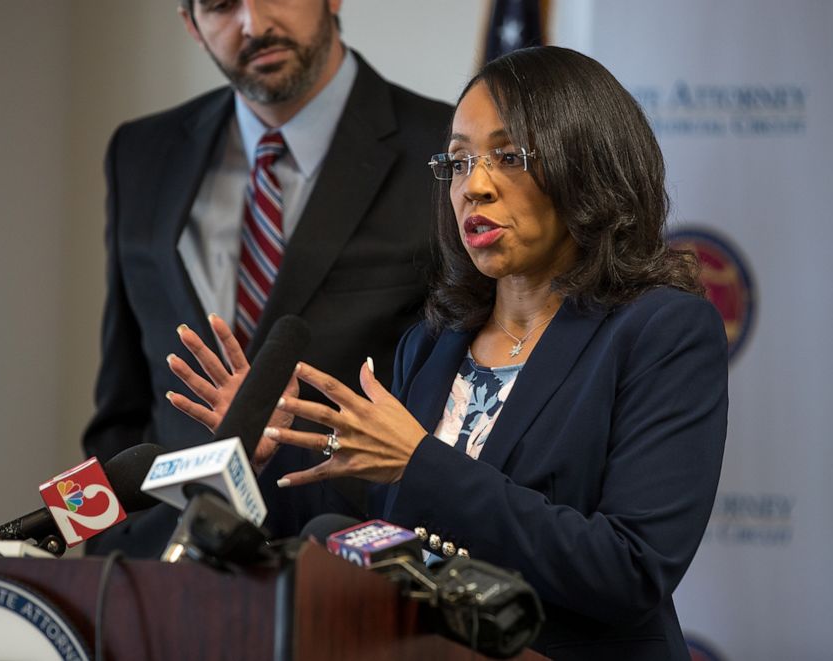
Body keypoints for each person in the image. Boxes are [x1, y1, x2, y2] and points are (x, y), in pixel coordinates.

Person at [171, 46, 727, 660]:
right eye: (458, 162)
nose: (474, 187)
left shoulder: (661, 331)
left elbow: (630, 568)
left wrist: (419, 463)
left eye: (509, 157)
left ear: (589, 165)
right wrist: (271, 454)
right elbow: (373, 537)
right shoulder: (434, 342)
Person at [83, 0, 451, 557]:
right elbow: (123, 399)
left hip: (347, 567)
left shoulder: (446, 152)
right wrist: (110, 552)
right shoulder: (141, 153)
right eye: (221, 5)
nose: (254, 24)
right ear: (191, 23)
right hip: (160, 571)